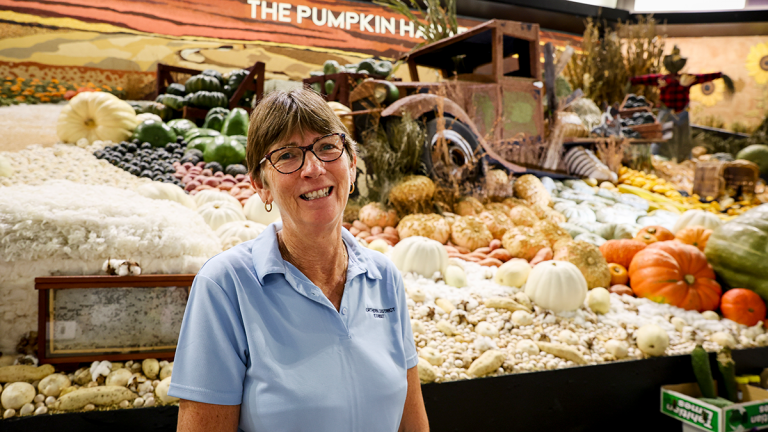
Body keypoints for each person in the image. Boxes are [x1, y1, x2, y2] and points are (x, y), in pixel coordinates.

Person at [168, 87, 428, 432]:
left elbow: (412, 424)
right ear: (261, 185)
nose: (314, 168)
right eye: (288, 155)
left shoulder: (383, 277)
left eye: (327, 147)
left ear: (351, 164)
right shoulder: (226, 286)